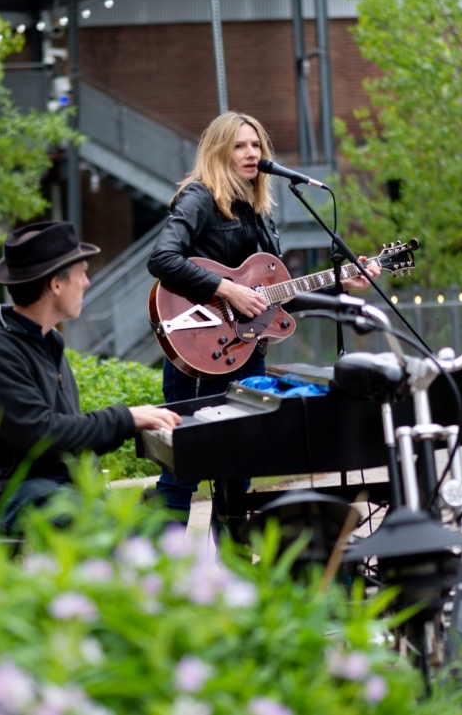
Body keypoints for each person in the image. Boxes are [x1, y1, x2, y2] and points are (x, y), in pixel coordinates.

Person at [146, 111, 378, 520]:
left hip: (247, 353)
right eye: (240, 145)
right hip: (200, 350)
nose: (251, 153)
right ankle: (165, 577)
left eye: (256, 145)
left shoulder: (261, 213)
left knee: (240, 470)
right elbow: (162, 258)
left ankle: (236, 574)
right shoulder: (200, 197)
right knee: (183, 471)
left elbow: (276, 301)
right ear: (219, 151)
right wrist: (227, 289)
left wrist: (342, 282)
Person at [0, 221, 181, 534]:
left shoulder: (47, 340)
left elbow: (68, 435)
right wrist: (126, 419)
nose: (87, 283)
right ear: (56, 284)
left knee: (158, 528)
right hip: (13, 493)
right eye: (82, 274)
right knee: (122, 535)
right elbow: (43, 435)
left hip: (59, 485)